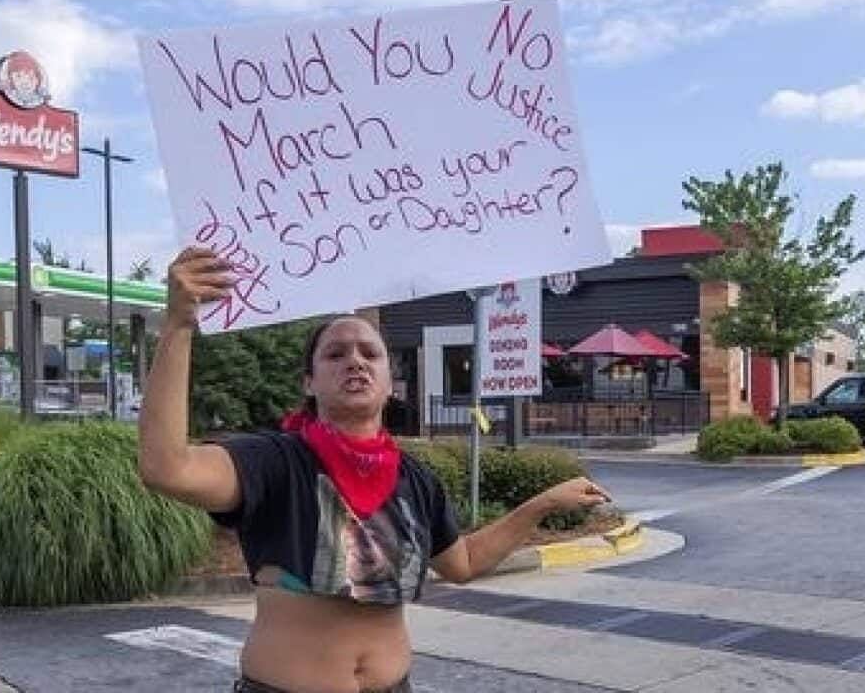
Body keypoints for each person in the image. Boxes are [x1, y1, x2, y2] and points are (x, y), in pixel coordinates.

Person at [139, 247, 612, 693]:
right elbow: (167, 468)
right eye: (336, 354)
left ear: (389, 382)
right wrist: (178, 325)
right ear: (309, 382)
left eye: (370, 353)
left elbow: (462, 563)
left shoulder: (415, 479)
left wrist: (543, 504)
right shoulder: (276, 461)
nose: (355, 362)